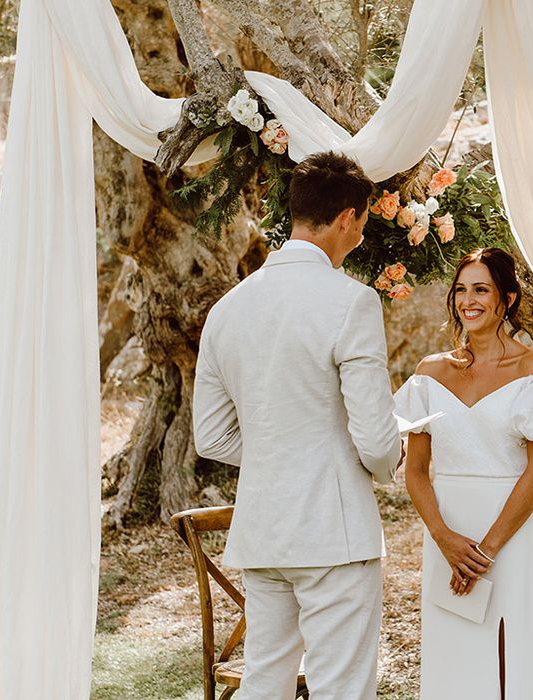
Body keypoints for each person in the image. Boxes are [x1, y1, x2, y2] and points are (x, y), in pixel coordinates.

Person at [193, 151, 404, 700]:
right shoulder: (351, 302)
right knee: (342, 688)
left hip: (264, 530)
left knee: (265, 680)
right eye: (362, 222)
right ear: (347, 219)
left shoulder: (227, 309)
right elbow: (377, 442)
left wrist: (275, 449)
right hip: (333, 533)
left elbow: (211, 436)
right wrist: (389, 459)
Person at [395, 247, 533, 699]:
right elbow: (415, 472)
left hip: (513, 533)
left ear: (506, 299)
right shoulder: (430, 372)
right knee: (455, 648)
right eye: (460, 290)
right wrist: (444, 538)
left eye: (481, 290)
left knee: (516, 650)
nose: (468, 301)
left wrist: (486, 551)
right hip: (449, 532)